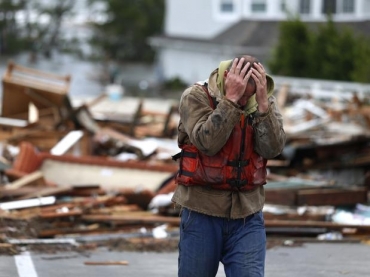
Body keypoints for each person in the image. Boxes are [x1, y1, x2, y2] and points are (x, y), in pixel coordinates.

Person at [171, 55, 286, 277]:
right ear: (227, 78)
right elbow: (207, 143)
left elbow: (272, 149)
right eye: (241, 94)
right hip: (201, 213)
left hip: (248, 216)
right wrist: (231, 101)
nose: (245, 102)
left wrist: (263, 107)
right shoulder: (195, 96)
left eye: (249, 96)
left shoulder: (262, 101)